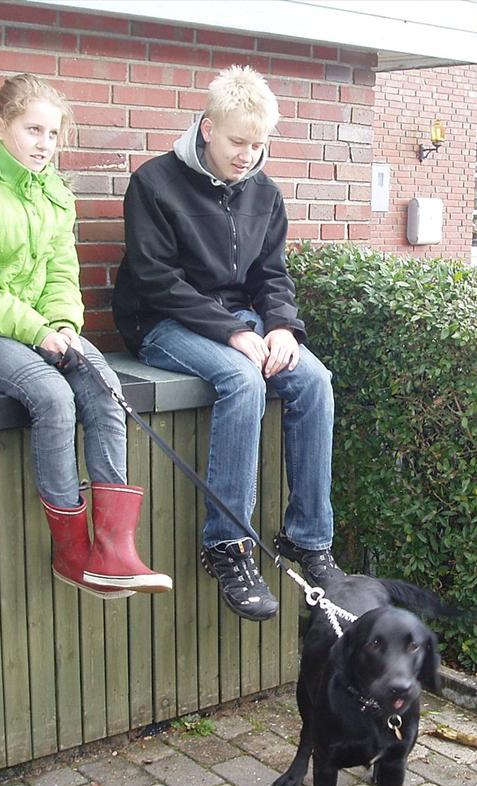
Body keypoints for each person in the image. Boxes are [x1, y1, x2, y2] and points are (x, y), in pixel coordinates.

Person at [0, 74, 171, 599]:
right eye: (33, 130)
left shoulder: (55, 192)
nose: (44, 144)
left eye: (53, 134)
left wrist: (62, 325)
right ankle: (71, 552)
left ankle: (114, 550)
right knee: (54, 397)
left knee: (105, 389)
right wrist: (37, 330)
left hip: (41, 332)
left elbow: (62, 273)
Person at [112, 66, 344, 622]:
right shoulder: (154, 183)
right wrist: (235, 333)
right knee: (242, 379)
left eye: (259, 144)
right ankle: (228, 546)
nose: (247, 155)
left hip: (237, 321)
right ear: (208, 127)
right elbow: (156, 280)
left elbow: (272, 275)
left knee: (314, 380)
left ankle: (308, 539)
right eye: (238, 142)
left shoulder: (264, 192)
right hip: (162, 323)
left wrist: (282, 327)